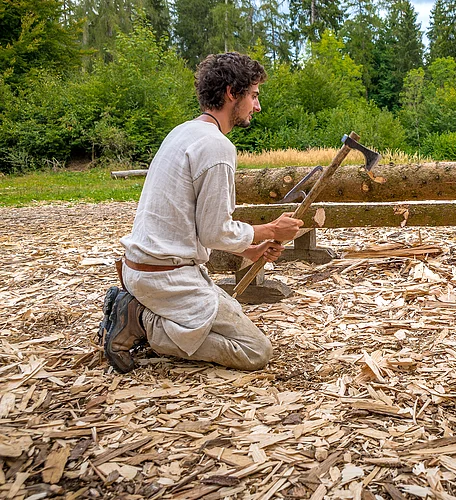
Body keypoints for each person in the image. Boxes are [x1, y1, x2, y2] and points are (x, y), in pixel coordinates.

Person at [97, 52, 303, 373]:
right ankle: (139, 319)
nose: (257, 106)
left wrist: (250, 248)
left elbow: (189, 224)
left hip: (141, 269)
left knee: (223, 320)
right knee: (256, 351)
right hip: (166, 278)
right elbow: (214, 232)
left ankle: (142, 310)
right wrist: (272, 230)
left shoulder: (183, 132)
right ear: (232, 93)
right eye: (253, 95)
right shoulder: (217, 147)